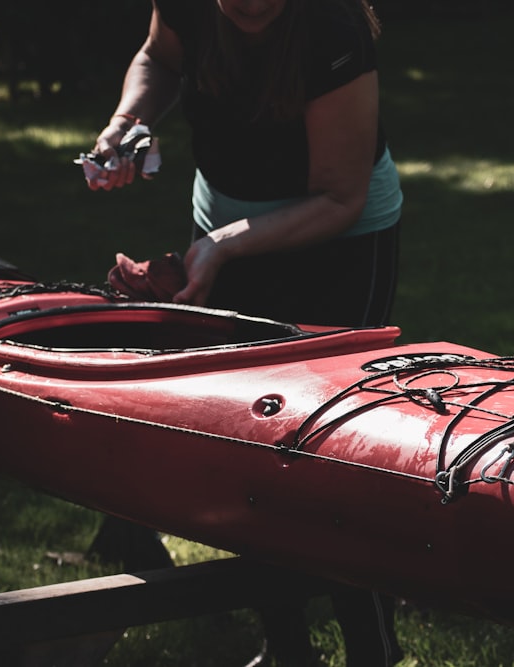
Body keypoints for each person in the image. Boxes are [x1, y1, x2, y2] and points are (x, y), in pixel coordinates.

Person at [83, 1, 404, 665]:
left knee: (337, 452)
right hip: (224, 227)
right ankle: (286, 645)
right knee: (246, 445)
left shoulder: (334, 29)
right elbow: (159, 59)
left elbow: (340, 197)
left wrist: (224, 247)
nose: (252, 4)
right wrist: (127, 123)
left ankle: (371, 649)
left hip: (339, 243)